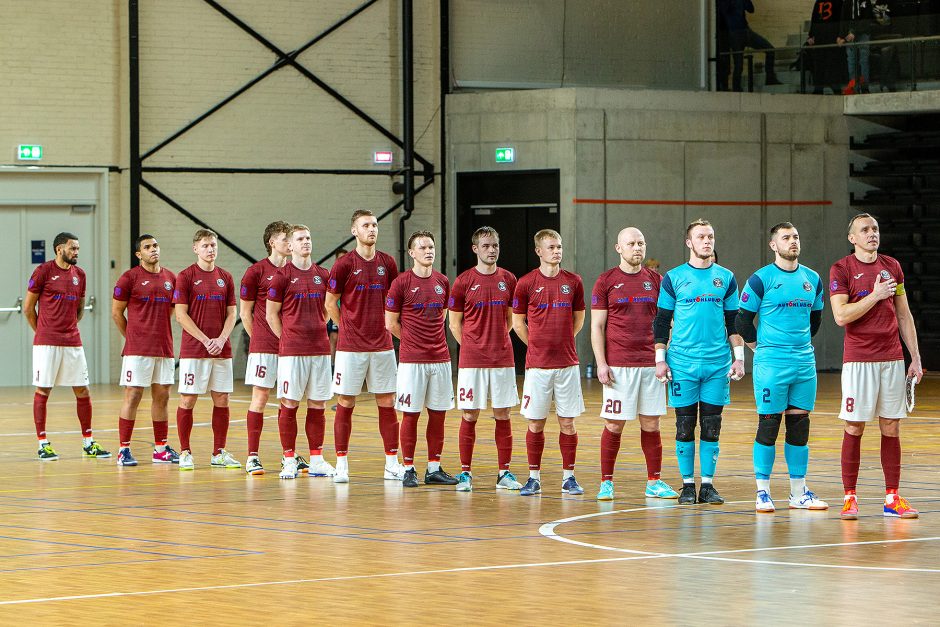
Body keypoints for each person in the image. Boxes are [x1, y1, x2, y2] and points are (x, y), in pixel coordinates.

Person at [830, 213, 923, 519]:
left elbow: (904, 315)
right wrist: (874, 295)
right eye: (865, 230)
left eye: (875, 229)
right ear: (852, 238)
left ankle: (892, 498)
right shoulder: (842, 269)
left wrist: (916, 358)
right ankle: (849, 497)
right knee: (854, 426)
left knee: (891, 425)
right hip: (859, 360)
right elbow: (841, 316)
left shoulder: (892, 266)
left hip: (892, 358)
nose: (872, 234)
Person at [735, 223, 828, 513]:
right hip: (771, 364)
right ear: (774, 245)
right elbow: (741, 321)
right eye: (786, 238)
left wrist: (796, 346)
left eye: (796, 237)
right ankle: (762, 492)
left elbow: (815, 320)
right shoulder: (761, 279)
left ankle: (798, 492)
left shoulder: (812, 279)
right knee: (769, 424)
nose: (793, 242)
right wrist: (758, 349)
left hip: (803, 362)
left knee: (799, 426)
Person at [653, 219, 745, 505]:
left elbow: (734, 322)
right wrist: (660, 360)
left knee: (711, 425)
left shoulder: (726, 278)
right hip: (681, 362)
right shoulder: (673, 277)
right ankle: (687, 485)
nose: (707, 241)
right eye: (701, 237)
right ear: (689, 243)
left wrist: (739, 359)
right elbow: (661, 322)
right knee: (684, 425)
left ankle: (707, 485)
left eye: (711, 236)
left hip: (717, 364)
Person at [590, 227, 678, 501]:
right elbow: (597, 326)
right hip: (619, 365)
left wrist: (664, 356)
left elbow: (667, 322)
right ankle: (606, 482)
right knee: (614, 425)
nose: (637, 248)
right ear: (619, 248)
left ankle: (654, 481)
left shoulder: (657, 280)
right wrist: (602, 363)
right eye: (631, 243)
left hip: (651, 365)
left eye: (641, 243)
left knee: (651, 424)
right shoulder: (605, 281)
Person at [326, 210, 404, 483]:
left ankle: (392, 463)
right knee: (346, 401)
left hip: (382, 346)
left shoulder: (388, 262)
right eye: (365, 225)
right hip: (351, 348)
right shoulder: (344, 264)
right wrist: (345, 327)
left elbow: (395, 300)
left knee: (387, 402)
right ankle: (341, 464)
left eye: (374, 225)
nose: (371, 229)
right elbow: (329, 303)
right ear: (354, 231)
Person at [512, 229, 586, 497]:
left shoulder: (574, 281)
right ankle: (533, 478)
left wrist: (564, 339)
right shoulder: (526, 283)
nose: (557, 251)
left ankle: (569, 477)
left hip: (568, 364)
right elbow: (517, 322)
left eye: (560, 247)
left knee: (568, 423)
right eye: (552, 247)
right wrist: (536, 344)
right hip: (537, 367)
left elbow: (579, 318)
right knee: (536, 423)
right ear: (539, 251)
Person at [448, 227, 522, 492]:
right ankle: (466, 473)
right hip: (472, 360)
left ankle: (504, 473)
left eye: (495, 245)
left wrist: (498, 338)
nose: (492, 250)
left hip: (502, 358)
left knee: (503, 414)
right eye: (487, 245)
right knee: (470, 414)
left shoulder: (509, 279)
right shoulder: (463, 281)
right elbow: (454, 323)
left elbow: (512, 317)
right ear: (475, 249)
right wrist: (473, 344)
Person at [24, 232, 110, 460]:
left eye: (78, 249)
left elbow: (80, 308)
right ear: (59, 249)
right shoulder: (43, 271)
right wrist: (43, 331)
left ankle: (88, 442)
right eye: (72, 248)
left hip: (72, 342)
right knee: (43, 390)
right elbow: (28, 308)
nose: (76, 252)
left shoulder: (80, 275)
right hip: (46, 343)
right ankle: (42, 443)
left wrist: (68, 326)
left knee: (83, 390)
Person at [385, 231, 458, 487]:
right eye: (423, 247)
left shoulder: (442, 281)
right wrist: (413, 341)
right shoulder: (401, 283)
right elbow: (391, 323)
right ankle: (408, 468)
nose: (429, 251)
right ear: (412, 253)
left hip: (440, 359)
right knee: (411, 415)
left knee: (438, 415)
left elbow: (444, 317)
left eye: (431, 247)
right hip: (411, 361)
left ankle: (434, 468)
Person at [266, 225, 336, 479]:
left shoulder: (323, 274)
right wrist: (287, 338)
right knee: (290, 403)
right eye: (300, 239)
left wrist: (317, 326)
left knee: (317, 404)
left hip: (319, 349)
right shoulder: (281, 276)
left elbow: (327, 309)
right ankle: (288, 459)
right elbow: (271, 315)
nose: (305, 242)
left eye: (308, 238)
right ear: (290, 246)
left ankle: (316, 459)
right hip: (292, 353)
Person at [173, 228, 239, 471]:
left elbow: (233, 313)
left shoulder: (226, 277)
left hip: (221, 349)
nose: (210, 249)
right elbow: (181, 315)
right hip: (194, 350)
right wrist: (205, 340)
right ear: (195, 249)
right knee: (188, 398)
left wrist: (221, 339)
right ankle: (185, 452)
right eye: (205, 246)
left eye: (213, 245)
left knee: (222, 398)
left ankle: (218, 452)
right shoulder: (186, 276)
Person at [111, 234, 179, 465]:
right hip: (137, 350)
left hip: (164, 348)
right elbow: (116, 313)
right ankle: (124, 450)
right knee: (133, 396)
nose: (154, 250)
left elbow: (171, 310)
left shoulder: (171, 277)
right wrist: (133, 336)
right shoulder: (129, 278)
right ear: (139, 254)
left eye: (156, 245)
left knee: (163, 397)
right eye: (148, 247)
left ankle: (161, 448)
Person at [239, 221, 292, 476]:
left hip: (291, 349)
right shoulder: (256, 271)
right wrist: (259, 339)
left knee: (288, 401)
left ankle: (288, 457)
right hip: (264, 348)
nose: (290, 243)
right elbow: (245, 313)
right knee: (259, 398)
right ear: (272, 242)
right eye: (286, 238)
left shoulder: (295, 270)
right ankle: (252, 457)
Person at [718, 0, 783, 91]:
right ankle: (736, 88)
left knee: (770, 49)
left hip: (746, 31)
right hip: (734, 33)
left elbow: (751, 9)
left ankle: (770, 78)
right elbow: (724, 11)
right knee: (738, 64)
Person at [806, 0, 847, 94]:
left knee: (829, 63)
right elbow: (815, 18)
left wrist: (841, 35)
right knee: (822, 63)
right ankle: (821, 87)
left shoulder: (835, 2)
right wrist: (811, 35)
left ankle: (831, 87)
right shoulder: (820, 2)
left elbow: (841, 18)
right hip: (825, 36)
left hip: (829, 35)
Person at [838, 0, 875, 94]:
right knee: (851, 61)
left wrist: (855, 32)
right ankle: (853, 86)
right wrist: (841, 36)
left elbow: (867, 18)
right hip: (850, 34)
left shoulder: (865, 1)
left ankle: (864, 87)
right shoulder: (847, 2)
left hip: (863, 33)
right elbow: (843, 18)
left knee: (863, 60)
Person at [328, 249, 347, 364]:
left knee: (346, 339)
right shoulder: (332, 275)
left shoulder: (354, 273)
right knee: (334, 337)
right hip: (336, 309)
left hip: (350, 312)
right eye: (340, 258)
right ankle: (332, 367)